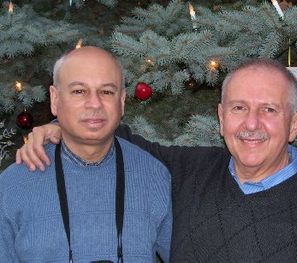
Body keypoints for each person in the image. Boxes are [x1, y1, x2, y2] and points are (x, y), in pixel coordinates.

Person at [16, 58, 297, 262]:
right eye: (239, 108)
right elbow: (118, 138)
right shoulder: (189, 170)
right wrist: (57, 127)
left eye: (269, 110)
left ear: (295, 123)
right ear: (221, 118)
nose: (251, 124)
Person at [0, 46, 172, 262]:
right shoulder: (13, 186)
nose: (94, 103)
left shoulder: (154, 176)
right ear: (55, 99)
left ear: (121, 101)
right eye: (79, 91)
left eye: (107, 92)